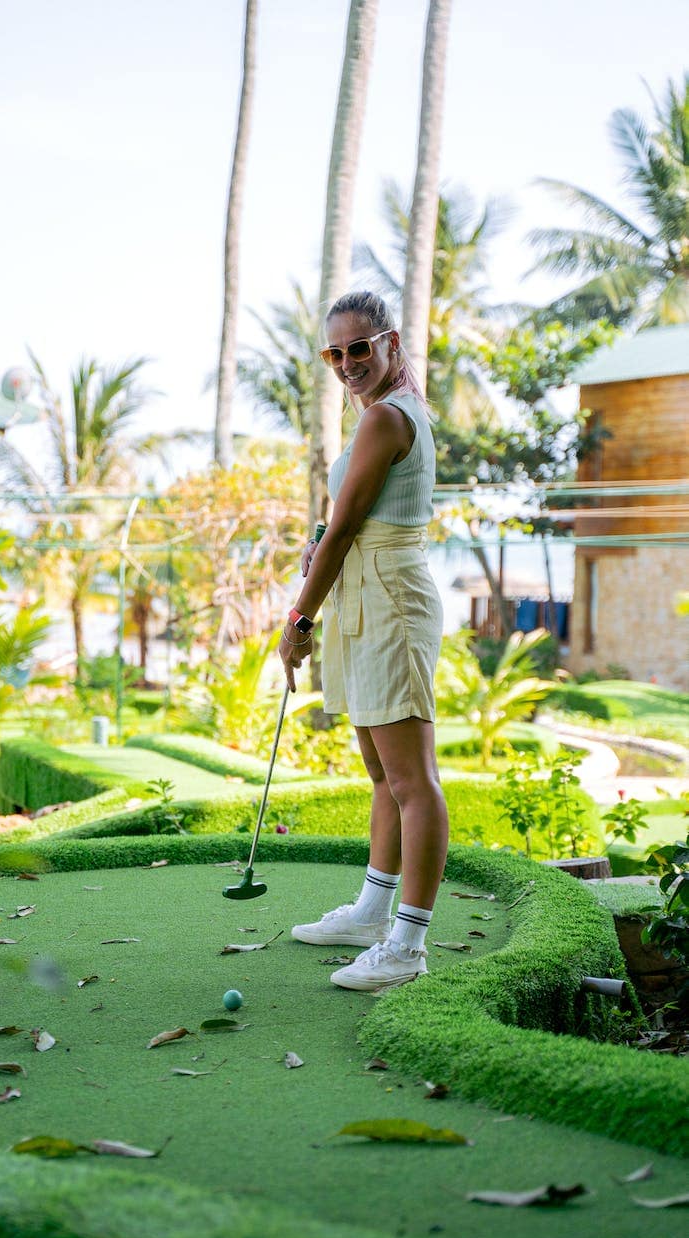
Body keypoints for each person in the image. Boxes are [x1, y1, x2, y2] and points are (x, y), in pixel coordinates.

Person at [279, 290, 448, 993]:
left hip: (388, 598)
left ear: (390, 345)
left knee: (412, 781)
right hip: (367, 589)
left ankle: (406, 945)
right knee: (383, 775)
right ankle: (369, 913)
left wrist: (297, 622)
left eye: (359, 348)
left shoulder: (384, 419)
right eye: (335, 352)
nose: (347, 362)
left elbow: (348, 529)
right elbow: (342, 524)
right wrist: (320, 551)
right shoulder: (376, 418)